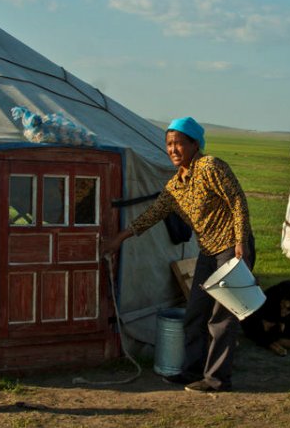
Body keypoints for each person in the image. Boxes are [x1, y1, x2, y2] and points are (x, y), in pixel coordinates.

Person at [103, 116, 255, 393]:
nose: (173, 149)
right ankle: (192, 371)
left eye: (179, 143)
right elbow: (152, 215)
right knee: (195, 313)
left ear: (195, 144)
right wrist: (120, 239)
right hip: (208, 251)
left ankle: (217, 379)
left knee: (222, 317)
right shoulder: (176, 185)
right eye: (169, 144)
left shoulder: (211, 166)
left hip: (232, 247)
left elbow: (237, 201)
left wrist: (241, 242)